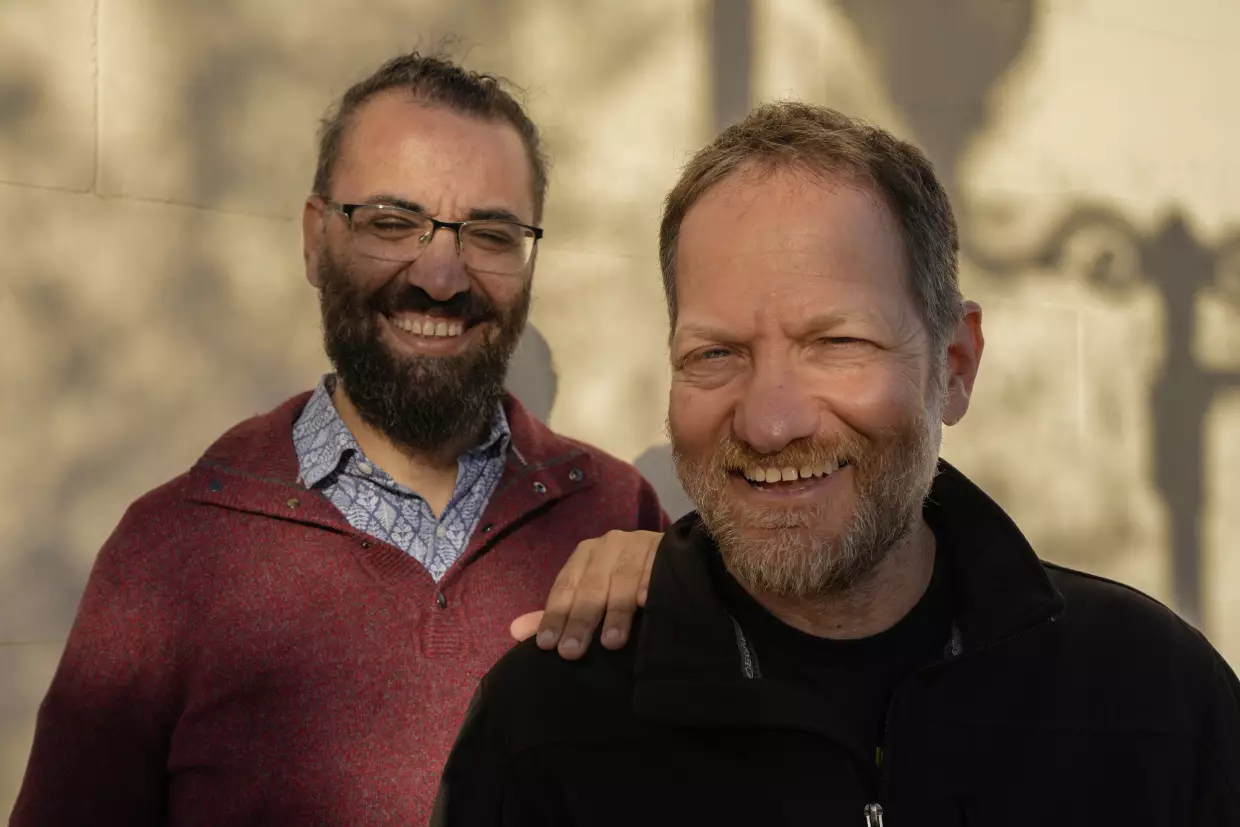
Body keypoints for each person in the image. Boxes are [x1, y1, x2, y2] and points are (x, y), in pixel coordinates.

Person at [432, 101, 1240, 826]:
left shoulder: (1155, 699)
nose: (771, 419)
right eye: (716, 353)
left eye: (837, 344)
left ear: (954, 364)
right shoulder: (547, 732)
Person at [10, 52, 664, 827]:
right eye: (392, 222)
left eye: (491, 234)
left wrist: (689, 579)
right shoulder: (169, 554)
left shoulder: (617, 514)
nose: (442, 275)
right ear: (316, 240)